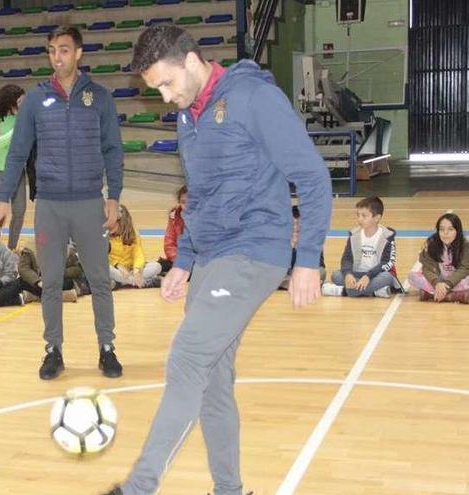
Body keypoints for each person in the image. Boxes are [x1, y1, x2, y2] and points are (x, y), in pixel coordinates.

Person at [102, 24, 332, 495]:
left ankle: (138, 487)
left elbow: (312, 177)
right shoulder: (190, 116)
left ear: (190, 60)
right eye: (155, 90)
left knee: (186, 359)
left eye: (166, 84)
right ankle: (230, 490)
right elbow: (199, 197)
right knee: (212, 382)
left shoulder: (253, 98)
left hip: (255, 250)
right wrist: (184, 261)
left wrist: (307, 257)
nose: (165, 98)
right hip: (211, 256)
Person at [0, 25, 124, 380]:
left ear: (78, 53)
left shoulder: (99, 97)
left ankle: (106, 347)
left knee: (98, 279)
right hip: (49, 204)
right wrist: (3, 197)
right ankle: (53, 350)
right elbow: (18, 152)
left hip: (88, 203)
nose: (57, 57)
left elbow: (113, 150)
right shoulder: (35, 100)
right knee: (50, 282)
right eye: (52, 50)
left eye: (64, 50)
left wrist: (113, 197)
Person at [322, 196, 402, 298]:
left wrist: (368, 276)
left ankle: (342, 291)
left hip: (376, 275)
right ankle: (374, 292)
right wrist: (348, 274)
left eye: (364, 216)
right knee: (336, 275)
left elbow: (387, 262)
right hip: (356, 274)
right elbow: (347, 258)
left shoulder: (387, 236)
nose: (359, 219)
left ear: (377, 218)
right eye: (358, 215)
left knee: (388, 277)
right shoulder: (354, 235)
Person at [0, 84, 29, 250]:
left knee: (20, 211)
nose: (22, 105)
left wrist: (6, 136)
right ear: (9, 101)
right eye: (19, 101)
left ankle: (12, 248)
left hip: (17, 168)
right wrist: (16, 132)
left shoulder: (21, 116)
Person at [408, 213, 469, 303]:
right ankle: (453, 296)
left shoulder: (465, 245)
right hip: (438, 280)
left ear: (458, 230)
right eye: (441, 229)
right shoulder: (431, 244)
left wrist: (447, 284)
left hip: (457, 280)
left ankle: (432, 294)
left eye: (450, 229)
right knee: (412, 276)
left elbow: (464, 269)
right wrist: (437, 283)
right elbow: (427, 268)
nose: (445, 233)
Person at [108, 204, 162, 289]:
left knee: (157, 266)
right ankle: (143, 282)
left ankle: (122, 282)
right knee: (107, 269)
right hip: (117, 269)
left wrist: (137, 270)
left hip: (130, 269)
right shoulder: (104, 236)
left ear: (122, 222)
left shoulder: (133, 235)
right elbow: (102, 258)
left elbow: (138, 253)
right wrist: (117, 265)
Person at [279, 205, 326, 290]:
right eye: (293, 224)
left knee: (321, 272)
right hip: (287, 273)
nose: (295, 227)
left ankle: (294, 284)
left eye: (298, 224)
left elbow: (318, 264)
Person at [157, 185, 187, 274]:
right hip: (179, 260)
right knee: (158, 266)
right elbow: (169, 243)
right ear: (179, 202)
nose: (187, 206)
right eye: (183, 202)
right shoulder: (174, 216)